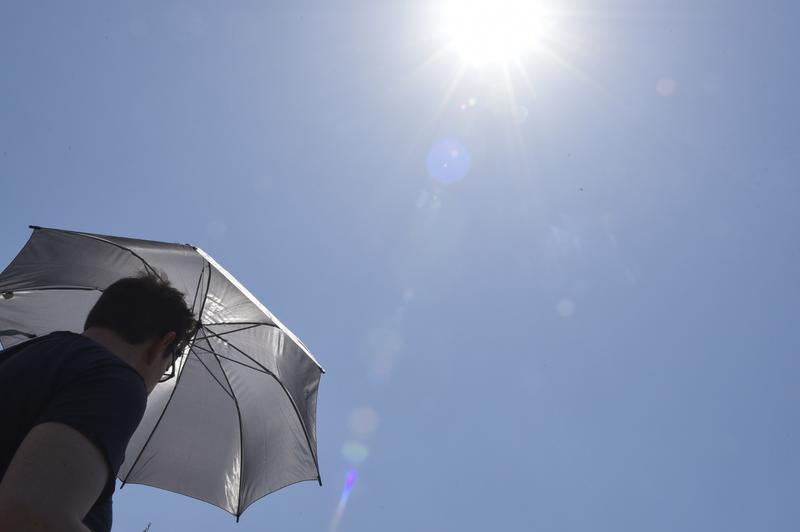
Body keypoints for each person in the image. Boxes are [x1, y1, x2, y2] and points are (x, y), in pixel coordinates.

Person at [0, 272, 195, 532]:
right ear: (162, 344)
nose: (160, 377)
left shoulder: (23, 355)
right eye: (168, 369)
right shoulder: (118, 379)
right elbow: (30, 513)